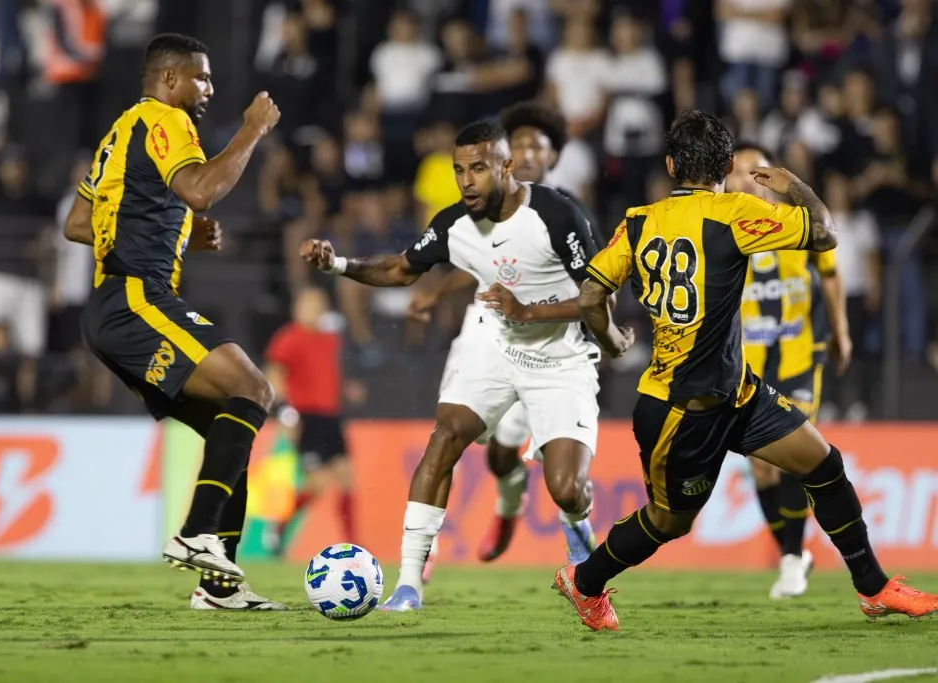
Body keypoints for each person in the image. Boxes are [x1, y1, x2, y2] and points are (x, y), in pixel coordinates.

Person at [556, 110, 938, 631]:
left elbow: (591, 295)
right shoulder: (735, 212)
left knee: (823, 462)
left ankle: (873, 588)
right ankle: (583, 582)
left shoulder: (639, 219)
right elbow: (824, 233)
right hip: (680, 412)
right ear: (730, 164)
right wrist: (793, 184)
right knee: (669, 521)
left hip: (734, 394)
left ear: (670, 165)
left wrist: (611, 340)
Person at [301, 120, 600, 612]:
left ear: (506, 167)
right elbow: (400, 269)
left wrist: (544, 316)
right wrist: (338, 264)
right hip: (497, 345)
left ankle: (578, 534)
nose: (465, 181)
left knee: (567, 489)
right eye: (459, 170)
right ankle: (409, 583)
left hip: (560, 358)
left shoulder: (557, 213)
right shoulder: (454, 224)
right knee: (445, 437)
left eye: (477, 169)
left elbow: (596, 298)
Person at [62, 33, 286, 611]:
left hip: (115, 308)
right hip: (137, 300)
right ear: (168, 80)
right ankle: (195, 534)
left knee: (228, 429)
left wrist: (180, 236)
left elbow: (80, 222)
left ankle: (217, 587)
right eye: (200, 77)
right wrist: (254, 128)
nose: (207, 89)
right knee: (254, 388)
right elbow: (201, 189)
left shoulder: (122, 130)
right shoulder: (167, 119)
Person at [406, 101, 602, 567]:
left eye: (539, 146)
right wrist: (437, 289)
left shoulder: (564, 212)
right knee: (486, 451)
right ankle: (482, 523)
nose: (529, 152)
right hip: (495, 333)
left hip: (555, 346)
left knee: (562, 479)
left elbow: (593, 281)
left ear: (552, 158)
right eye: (521, 144)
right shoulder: (485, 208)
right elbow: (481, 265)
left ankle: (566, 524)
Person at [727, 142, 853, 600]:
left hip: (800, 356)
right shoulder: (725, 226)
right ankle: (793, 554)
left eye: (753, 169)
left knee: (798, 458)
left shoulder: (799, 223)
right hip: (748, 365)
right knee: (761, 469)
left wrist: (840, 326)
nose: (745, 178)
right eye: (736, 171)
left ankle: (792, 560)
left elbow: (831, 271)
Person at [264, 286, 357, 549]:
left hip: (331, 417)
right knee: (316, 485)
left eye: (320, 304)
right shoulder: (288, 338)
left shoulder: (330, 339)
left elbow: (328, 374)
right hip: (306, 419)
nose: (316, 309)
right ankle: (279, 526)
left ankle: (353, 543)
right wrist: (285, 414)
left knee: (348, 479)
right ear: (298, 308)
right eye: (310, 304)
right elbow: (274, 376)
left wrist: (347, 388)